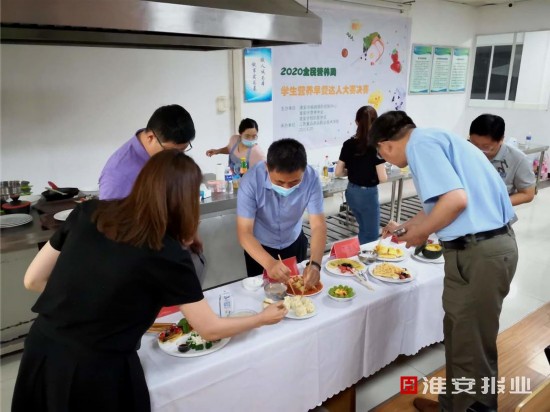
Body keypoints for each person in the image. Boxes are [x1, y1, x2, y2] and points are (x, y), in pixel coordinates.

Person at [13, 150, 287, 412]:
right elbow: (209, 329)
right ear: (186, 200)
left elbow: (33, 279)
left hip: (41, 349)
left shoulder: (88, 211)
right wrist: (261, 318)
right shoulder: (166, 251)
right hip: (96, 370)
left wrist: (92, 304)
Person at [369, 111, 517, 412]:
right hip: (486, 248)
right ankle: (452, 405)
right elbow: (442, 202)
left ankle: (470, 407)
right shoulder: (435, 138)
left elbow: (455, 201)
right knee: (462, 338)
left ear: (384, 146)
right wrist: (409, 226)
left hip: (478, 252)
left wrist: (421, 233)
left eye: (381, 154)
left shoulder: (420, 146)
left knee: (469, 345)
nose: (386, 160)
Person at [98, 104, 205, 283]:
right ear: (150, 138)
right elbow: (114, 235)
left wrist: (189, 230)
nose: (178, 157)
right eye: (173, 151)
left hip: (169, 248)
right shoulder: (118, 175)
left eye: (183, 150)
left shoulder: (163, 156)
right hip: (142, 264)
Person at [236, 138, 327, 289]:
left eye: (294, 182)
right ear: (267, 167)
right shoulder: (251, 181)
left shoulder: (311, 178)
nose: (286, 187)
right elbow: (244, 232)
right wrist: (269, 263)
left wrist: (315, 264)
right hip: (260, 248)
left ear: (304, 170)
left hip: (294, 241)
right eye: (279, 182)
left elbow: (318, 225)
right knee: (263, 295)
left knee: (298, 291)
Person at [335, 105, 388, 244]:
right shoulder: (377, 146)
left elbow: (338, 172)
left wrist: (352, 171)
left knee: (364, 229)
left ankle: (360, 252)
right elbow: (383, 178)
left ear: (356, 122)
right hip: (368, 194)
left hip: (351, 192)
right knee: (371, 235)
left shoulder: (348, 144)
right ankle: (366, 256)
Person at [469, 114, 536, 206]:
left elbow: (527, 194)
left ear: (501, 139)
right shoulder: (463, 150)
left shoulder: (518, 159)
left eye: (486, 147)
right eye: (474, 144)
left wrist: (497, 204)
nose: (479, 150)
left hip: (496, 209)